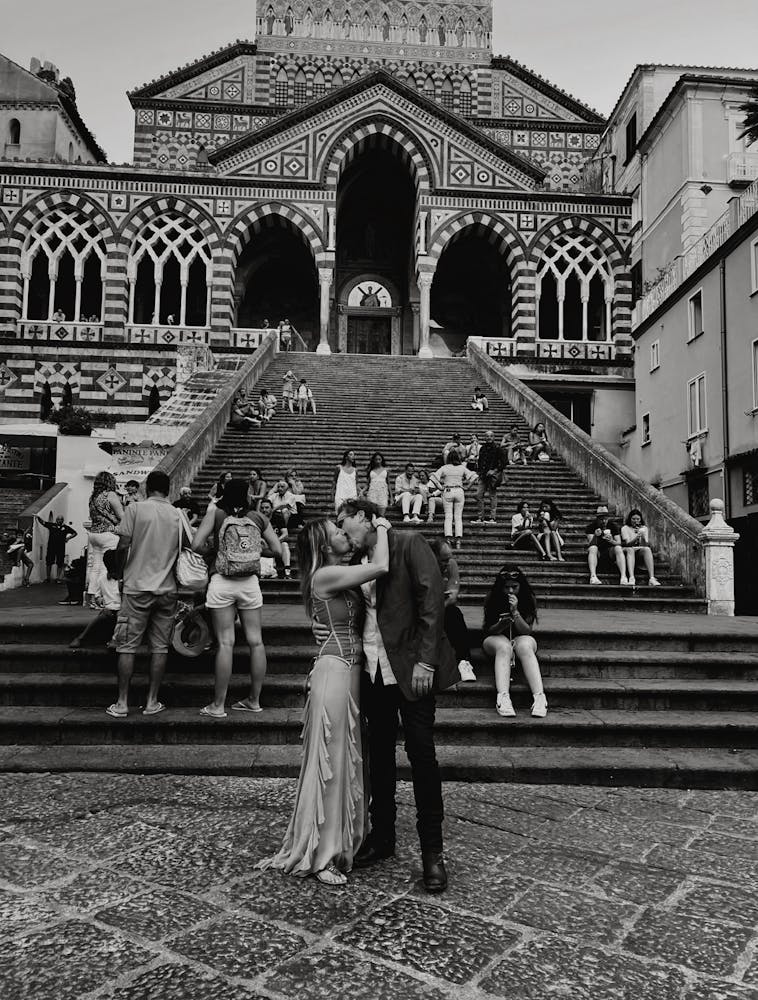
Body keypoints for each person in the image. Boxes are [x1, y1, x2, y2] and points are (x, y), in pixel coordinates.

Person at [326, 498, 459, 892]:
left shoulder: (409, 542)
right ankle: (383, 836)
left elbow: (431, 602)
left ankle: (432, 853)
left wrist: (427, 662)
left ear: (365, 517)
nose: (341, 529)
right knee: (379, 754)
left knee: (421, 754)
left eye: (343, 521)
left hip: (412, 668)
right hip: (372, 670)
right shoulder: (357, 560)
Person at [258, 513, 391, 885]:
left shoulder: (338, 575)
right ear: (322, 545)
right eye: (337, 533)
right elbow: (381, 565)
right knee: (330, 762)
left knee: (347, 758)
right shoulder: (325, 576)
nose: (344, 535)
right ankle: (322, 854)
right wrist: (380, 524)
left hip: (351, 673)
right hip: (335, 671)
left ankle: (343, 840)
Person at [192, 478, 281, 718]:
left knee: (225, 644)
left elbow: (196, 543)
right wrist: (253, 550)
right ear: (247, 495)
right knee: (256, 642)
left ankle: (218, 705)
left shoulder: (216, 513)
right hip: (250, 583)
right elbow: (278, 550)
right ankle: (254, 700)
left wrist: (216, 549)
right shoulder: (258, 517)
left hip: (221, 581)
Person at [107, 470, 187, 718]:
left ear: (146, 488)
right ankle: (152, 700)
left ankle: (122, 702)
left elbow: (122, 545)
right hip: (167, 589)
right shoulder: (177, 514)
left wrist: (120, 573)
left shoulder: (135, 509)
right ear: (169, 489)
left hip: (136, 586)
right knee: (160, 648)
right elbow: (191, 547)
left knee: (127, 646)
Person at [483, 564, 547, 718]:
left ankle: (539, 697)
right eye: (507, 587)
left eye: (514, 587)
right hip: (495, 639)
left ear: (521, 586)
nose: (510, 591)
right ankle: (503, 697)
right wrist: (500, 625)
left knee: (525, 645)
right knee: (504, 647)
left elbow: (526, 630)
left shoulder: (528, 598)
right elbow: (488, 629)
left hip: (520, 638)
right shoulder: (492, 597)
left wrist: (515, 612)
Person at [428, 537, 475, 683]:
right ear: (433, 556)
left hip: (441, 608)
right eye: (443, 560)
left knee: (454, 614)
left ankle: (463, 660)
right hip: (423, 610)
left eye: (449, 559)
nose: (447, 563)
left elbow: (452, 596)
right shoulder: (423, 566)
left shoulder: (451, 564)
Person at [86, 471, 124, 610]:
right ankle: (100, 597)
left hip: (94, 534)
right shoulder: (110, 495)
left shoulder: (93, 497)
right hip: (108, 534)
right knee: (106, 566)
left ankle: (91, 598)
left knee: (95, 568)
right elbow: (122, 516)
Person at [432, 449, 478, 550]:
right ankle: (458, 541)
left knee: (448, 516)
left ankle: (448, 539)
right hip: (459, 491)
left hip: (448, 490)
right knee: (458, 517)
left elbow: (433, 477)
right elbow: (474, 476)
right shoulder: (462, 468)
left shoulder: (444, 467)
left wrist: (440, 487)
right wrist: (468, 487)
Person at [586, 504, 627, 585]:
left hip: (610, 552)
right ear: (597, 519)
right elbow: (590, 544)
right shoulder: (591, 527)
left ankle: (623, 576)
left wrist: (611, 540)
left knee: (618, 548)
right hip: (597, 553)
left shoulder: (612, 526)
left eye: (605, 519)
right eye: (601, 519)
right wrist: (595, 536)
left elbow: (619, 543)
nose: (604, 521)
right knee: (593, 548)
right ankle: (593, 576)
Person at [621, 509, 661, 586]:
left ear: (640, 519)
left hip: (639, 550)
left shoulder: (644, 528)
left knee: (647, 549)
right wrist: (636, 537)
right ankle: (631, 577)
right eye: (633, 519)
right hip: (629, 549)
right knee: (631, 549)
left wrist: (642, 536)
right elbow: (628, 544)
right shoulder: (625, 528)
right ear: (630, 519)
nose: (635, 521)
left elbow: (645, 544)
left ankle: (652, 578)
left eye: (638, 519)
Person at [473, 430, 505, 525]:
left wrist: (494, 470)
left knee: (492, 496)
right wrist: (479, 472)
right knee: (478, 495)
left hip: (492, 476)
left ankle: (492, 517)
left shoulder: (498, 448)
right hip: (483, 475)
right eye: (487, 436)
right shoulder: (482, 448)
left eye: (491, 436)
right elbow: (480, 461)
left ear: (494, 437)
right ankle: (480, 517)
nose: (489, 438)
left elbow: (504, 462)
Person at [35, 512, 77, 583]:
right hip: (51, 546)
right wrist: (38, 517)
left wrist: (68, 538)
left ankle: (58, 578)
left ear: (63, 520)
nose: (59, 520)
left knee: (60, 562)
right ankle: (48, 577)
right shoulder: (52, 525)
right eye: (58, 519)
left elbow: (75, 533)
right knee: (49, 562)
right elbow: (43, 523)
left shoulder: (66, 527)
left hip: (61, 547)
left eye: (61, 519)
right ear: (56, 520)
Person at [259, 498, 292, 578]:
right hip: (264, 547)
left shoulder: (277, 517)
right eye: (262, 508)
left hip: (276, 545)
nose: (264, 510)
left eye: (267, 507)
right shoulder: (259, 519)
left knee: (284, 544)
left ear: (271, 508)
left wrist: (275, 542)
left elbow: (285, 534)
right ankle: (269, 570)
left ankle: (287, 571)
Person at [334, 449, 359, 514]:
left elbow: (356, 483)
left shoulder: (355, 470)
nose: (353, 456)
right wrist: (332, 493)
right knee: (339, 515)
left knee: (351, 516)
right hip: (340, 495)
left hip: (352, 496)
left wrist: (361, 492)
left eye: (354, 455)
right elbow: (334, 481)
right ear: (346, 457)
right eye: (351, 454)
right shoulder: (339, 468)